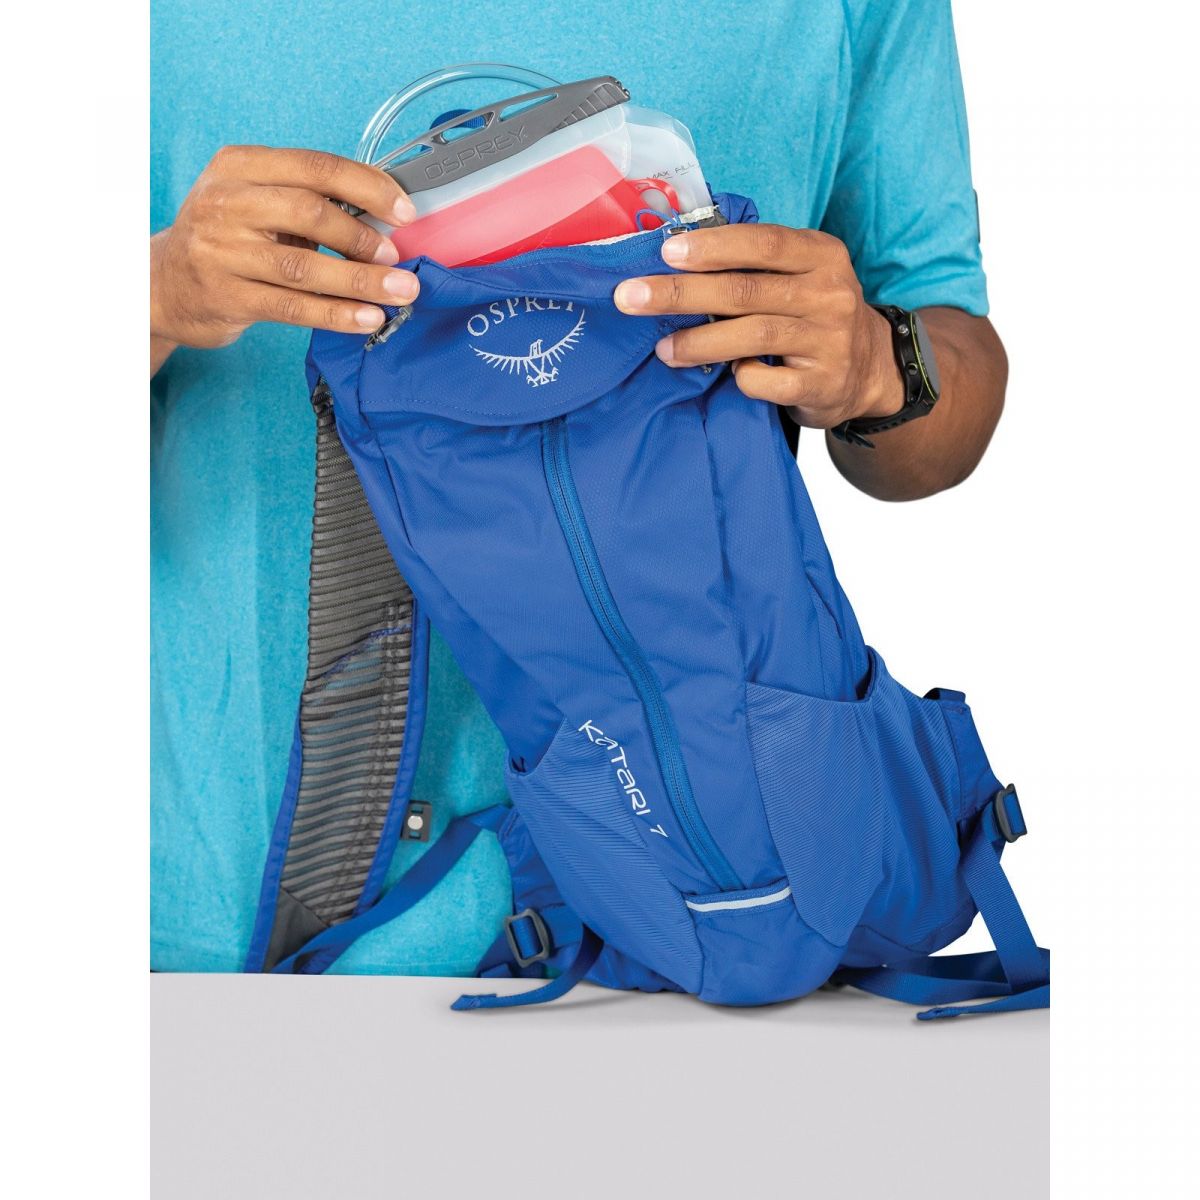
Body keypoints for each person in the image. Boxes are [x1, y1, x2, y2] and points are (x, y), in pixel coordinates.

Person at [151, 0, 1006, 973]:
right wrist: (157, 291)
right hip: (214, 937)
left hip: (719, 916)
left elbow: (953, 384)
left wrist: (879, 363)